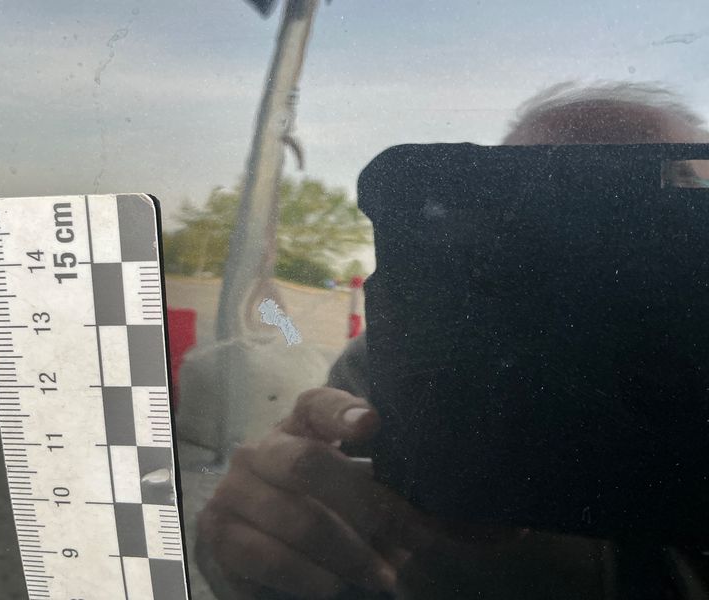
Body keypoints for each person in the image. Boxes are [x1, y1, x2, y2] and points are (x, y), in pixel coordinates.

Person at [195, 82, 709, 599]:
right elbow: (316, 540)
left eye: (652, 201)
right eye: (542, 196)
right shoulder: (391, 363)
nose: (592, 236)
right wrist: (253, 543)